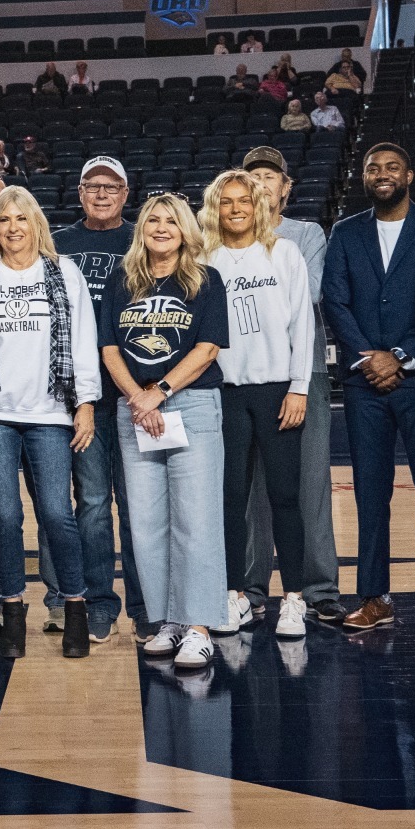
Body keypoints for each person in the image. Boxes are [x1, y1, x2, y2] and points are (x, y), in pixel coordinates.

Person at [322, 144, 415, 636]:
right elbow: (335, 302)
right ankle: (374, 596)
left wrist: (400, 356)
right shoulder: (345, 232)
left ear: (410, 174)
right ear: (363, 177)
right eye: (372, 168)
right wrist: (368, 356)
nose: (382, 175)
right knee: (370, 492)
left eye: (391, 167)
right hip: (364, 385)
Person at [0, 186, 100, 660]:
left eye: (22, 219)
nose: (13, 228)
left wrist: (85, 403)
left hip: (50, 414)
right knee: (4, 514)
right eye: (4, 220)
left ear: (36, 224)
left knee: (57, 514)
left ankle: (75, 607)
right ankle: (13, 610)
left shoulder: (64, 274)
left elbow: (83, 341)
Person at [100, 193, 229, 671]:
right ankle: (168, 620)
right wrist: (139, 396)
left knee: (196, 520)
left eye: (170, 221)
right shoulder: (122, 280)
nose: (160, 227)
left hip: (190, 405)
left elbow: (209, 348)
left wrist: (160, 392)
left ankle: (199, 627)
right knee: (149, 525)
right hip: (135, 409)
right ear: (142, 229)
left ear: (185, 229)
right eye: (152, 219)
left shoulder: (204, 279)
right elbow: (110, 348)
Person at [202, 170, 314, 640]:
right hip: (224, 394)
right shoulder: (204, 258)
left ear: (259, 205)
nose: (235, 209)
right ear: (215, 208)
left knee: (285, 497)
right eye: (226, 202)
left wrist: (300, 386)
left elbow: (302, 323)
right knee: (229, 501)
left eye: (243, 200)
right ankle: (233, 595)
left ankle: (293, 598)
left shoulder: (284, 252)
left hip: (276, 391)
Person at [241, 147, 342, 625]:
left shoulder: (306, 233)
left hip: (304, 371)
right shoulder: (225, 236)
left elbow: (312, 292)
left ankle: (320, 588)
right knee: (251, 486)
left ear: (286, 187)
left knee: (310, 482)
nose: (262, 183)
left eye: (270, 176)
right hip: (245, 374)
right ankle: (251, 588)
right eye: (252, 176)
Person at [54, 158, 146, 645]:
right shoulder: (61, 244)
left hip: (136, 392)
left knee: (138, 505)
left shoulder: (141, 238)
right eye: (93, 185)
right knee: (91, 503)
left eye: (112, 186)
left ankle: (145, 602)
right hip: (82, 397)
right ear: (81, 191)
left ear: (126, 192)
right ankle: (99, 602)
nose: (102, 193)